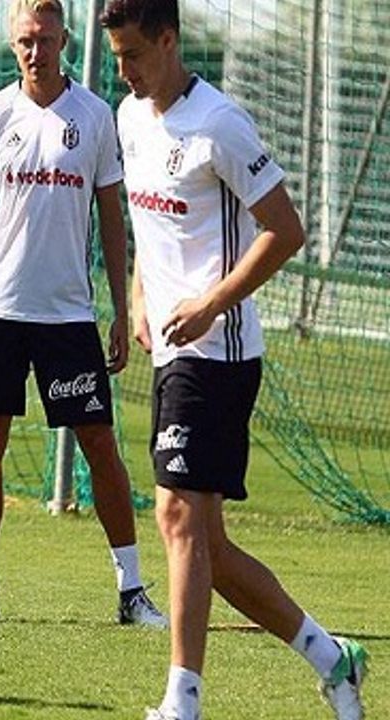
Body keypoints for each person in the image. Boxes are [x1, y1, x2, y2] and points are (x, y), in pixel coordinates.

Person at [101, 2, 369, 718]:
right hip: (173, 354)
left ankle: (181, 703)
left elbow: (285, 230)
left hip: (218, 355)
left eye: (134, 55)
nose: (124, 71)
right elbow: (148, 226)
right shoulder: (130, 118)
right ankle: (333, 659)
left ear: (169, 40)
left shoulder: (220, 123)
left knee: (177, 519)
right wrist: (139, 298)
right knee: (206, 548)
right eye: (116, 57)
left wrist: (211, 303)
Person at [0, 0, 165, 629]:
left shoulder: (94, 116)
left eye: (44, 39)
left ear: (64, 39)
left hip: (69, 317)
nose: (34, 51)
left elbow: (113, 216)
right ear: (12, 44)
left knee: (99, 443)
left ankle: (132, 592)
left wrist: (120, 307)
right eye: (24, 41)